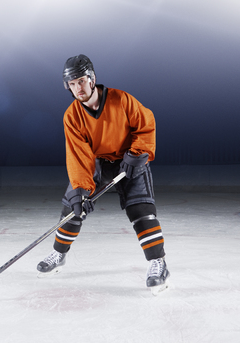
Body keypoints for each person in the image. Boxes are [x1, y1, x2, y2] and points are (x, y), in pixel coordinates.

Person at [36, 54, 170, 294]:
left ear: (92, 78)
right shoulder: (72, 116)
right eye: (72, 83)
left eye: (81, 81)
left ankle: (158, 264)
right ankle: (58, 254)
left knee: (141, 211)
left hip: (131, 161)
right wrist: (80, 188)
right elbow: (78, 155)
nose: (78, 88)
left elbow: (146, 123)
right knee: (72, 207)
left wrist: (137, 153)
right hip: (98, 164)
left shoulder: (122, 100)